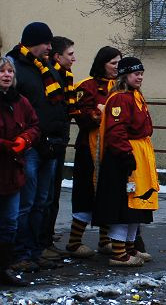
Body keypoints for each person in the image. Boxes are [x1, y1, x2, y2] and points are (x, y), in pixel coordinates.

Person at [7, 22, 69, 273]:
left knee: (43, 201)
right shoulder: (15, 66)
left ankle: (35, 250)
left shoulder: (44, 68)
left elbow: (58, 104)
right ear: (33, 42)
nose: (49, 47)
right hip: (31, 146)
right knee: (27, 202)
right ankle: (20, 253)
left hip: (50, 145)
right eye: (46, 43)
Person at [92, 57, 159, 266]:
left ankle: (130, 248)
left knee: (137, 204)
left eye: (141, 73)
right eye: (135, 73)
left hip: (139, 153)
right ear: (125, 75)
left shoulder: (135, 96)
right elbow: (116, 129)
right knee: (125, 204)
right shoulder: (120, 98)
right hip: (125, 156)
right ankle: (119, 253)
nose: (140, 77)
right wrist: (126, 155)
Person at [65, 47, 121, 257]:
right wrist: (101, 114)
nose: (117, 67)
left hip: (112, 149)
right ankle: (74, 241)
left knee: (109, 192)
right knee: (85, 193)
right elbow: (81, 116)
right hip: (89, 150)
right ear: (102, 63)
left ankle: (105, 240)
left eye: (119, 63)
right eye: (113, 63)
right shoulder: (85, 86)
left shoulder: (121, 87)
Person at [0, 56, 39, 286]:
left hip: (13, 171)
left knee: (10, 222)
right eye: (2, 71)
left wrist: (25, 139)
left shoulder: (20, 101)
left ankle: (3, 267)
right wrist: (6, 145)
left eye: (10, 72)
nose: (6, 75)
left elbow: (34, 125)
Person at [42, 36, 77, 262]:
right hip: (49, 141)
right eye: (70, 54)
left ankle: (47, 237)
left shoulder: (67, 77)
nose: (74, 58)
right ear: (57, 56)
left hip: (60, 139)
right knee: (44, 195)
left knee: (53, 194)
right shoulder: (48, 76)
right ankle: (41, 240)